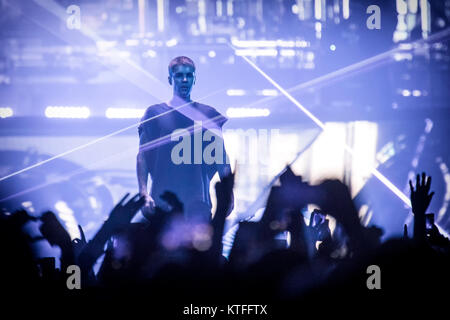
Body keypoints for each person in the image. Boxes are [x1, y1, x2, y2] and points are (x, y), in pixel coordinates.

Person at [137, 56, 233, 222]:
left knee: (199, 247)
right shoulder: (154, 113)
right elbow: (143, 156)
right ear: (170, 79)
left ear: (194, 79)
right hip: (162, 204)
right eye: (179, 75)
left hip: (198, 204)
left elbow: (221, 158)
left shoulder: (208, 115)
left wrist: (229, 193)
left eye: (189, 75)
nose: (184, 79)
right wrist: (143, 193)